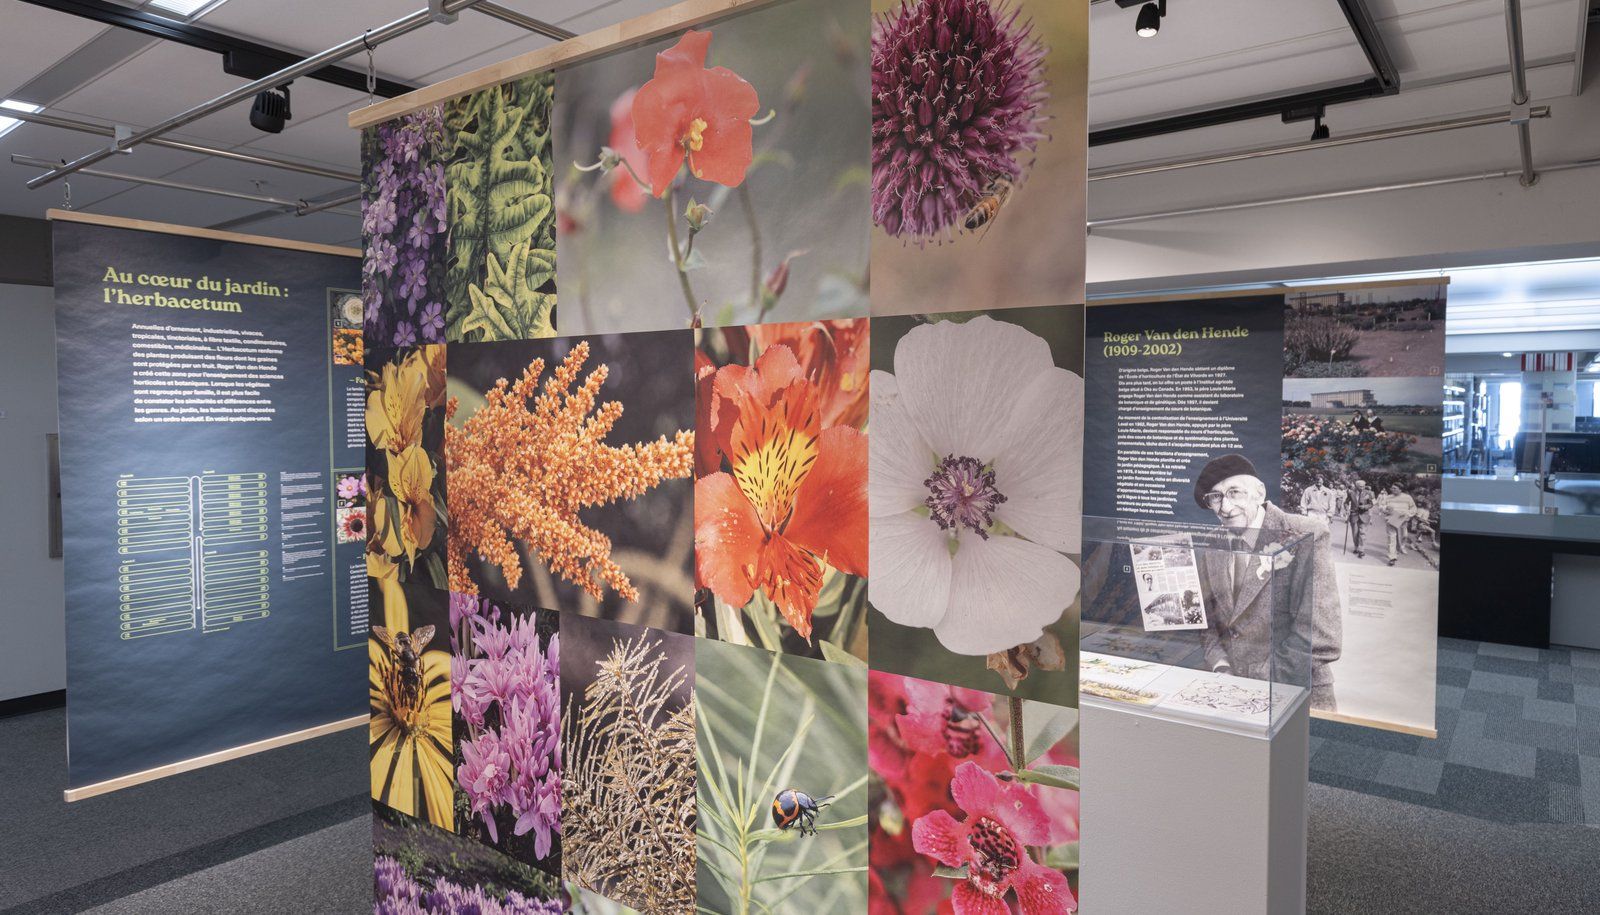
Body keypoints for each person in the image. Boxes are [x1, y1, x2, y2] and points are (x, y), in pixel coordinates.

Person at [1192, 454, 1342, 711]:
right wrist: (1221, 665)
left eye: (1235, 492)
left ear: (1259, 493)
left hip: (1296, 694)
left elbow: (1321, 639)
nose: (1225, 508)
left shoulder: (1307, 534)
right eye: (1215, 497)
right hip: (1229, 692)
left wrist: (1252, 681)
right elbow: (1208, 621)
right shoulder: (1212, 541)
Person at [1377, 482, 1417, 566]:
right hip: (1391, 520)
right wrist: (1385, 508)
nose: (1392, 489)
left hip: (1402, 520)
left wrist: (1407, 513)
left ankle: (1400, 548)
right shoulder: (1388, 497)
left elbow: (1413, 508)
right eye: (1392, 488)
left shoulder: (1407, 497)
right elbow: (1381, 506)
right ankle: (1392, 557)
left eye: (1394, 488)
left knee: (1404, 536)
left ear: (1400, 489)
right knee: (1391, 538)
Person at [1345, 478, 1374, 558]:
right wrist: (1347, 509)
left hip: (1364, 515)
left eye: (1363, 486)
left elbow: (1371, 504)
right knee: (1355, 533)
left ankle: (1361, 550)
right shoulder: (1351, 493)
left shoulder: (1368, 493)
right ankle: (1356, 547)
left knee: (1362, 533)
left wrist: (1364, 507)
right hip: (1354, 515)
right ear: (1356, 486)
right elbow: (1346, 502)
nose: (1362, 488)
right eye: (1360, 486)